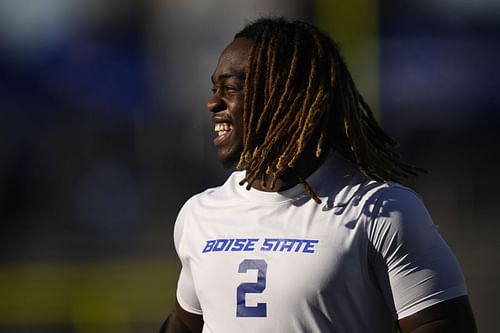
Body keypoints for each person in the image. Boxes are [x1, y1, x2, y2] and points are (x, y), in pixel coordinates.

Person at [160, 17, 476, 333]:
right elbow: (184, 326)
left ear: (285, 95)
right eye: (215, 88)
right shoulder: (199, 214)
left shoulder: (381, 211)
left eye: (229, 88)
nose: (212, 102)